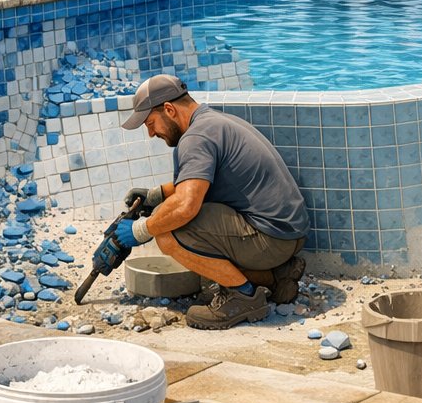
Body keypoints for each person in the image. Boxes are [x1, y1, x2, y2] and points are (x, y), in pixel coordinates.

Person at [112, 74, 309, 329]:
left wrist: (142, 230)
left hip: (271, 239)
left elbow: (185, 206)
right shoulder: (213, 122)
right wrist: (156, 195)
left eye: (151, 123)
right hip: (286, 233)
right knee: (169, 212)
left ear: (169, 109)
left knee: (168, 230)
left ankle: (243, 298)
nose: (151, 134)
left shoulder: (196, 138)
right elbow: (199, 181)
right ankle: (276, 277)